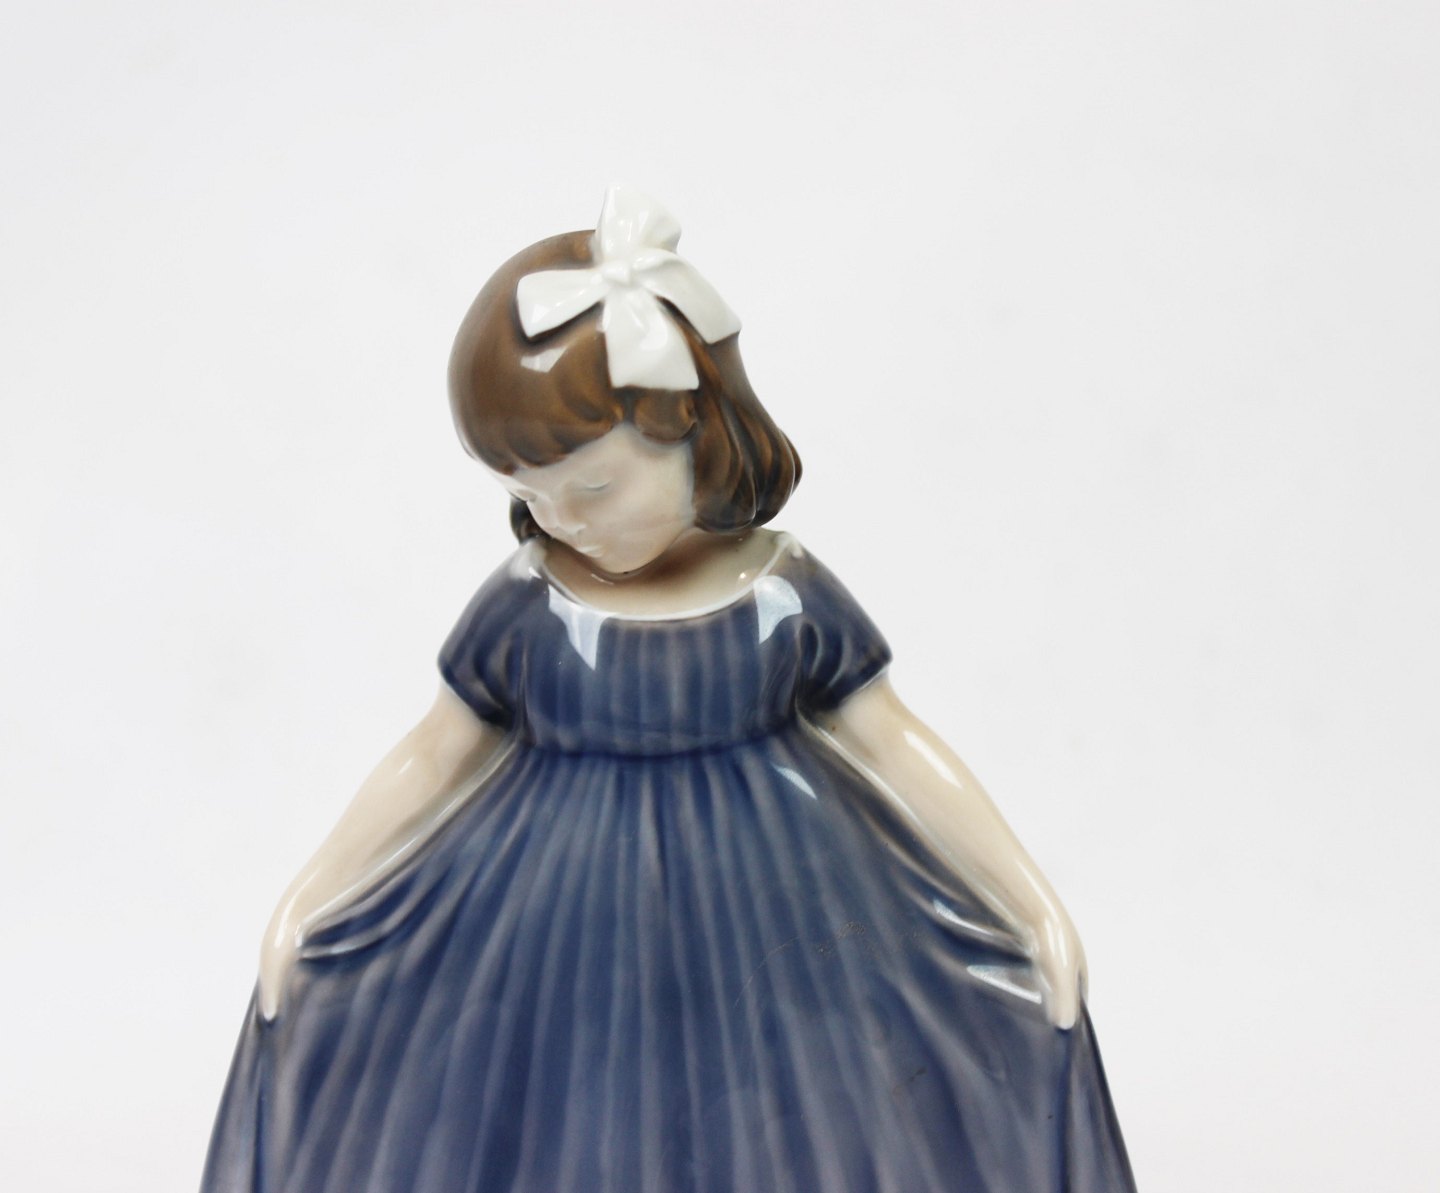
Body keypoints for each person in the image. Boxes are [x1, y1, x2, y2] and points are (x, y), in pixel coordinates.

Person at [202, 187, 1136, 1193]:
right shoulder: (529, 604)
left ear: (695, 425)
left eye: (594, 486)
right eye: (527, 495)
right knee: (561, 1115)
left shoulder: (783, 594)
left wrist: (1030, 902)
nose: (564, 521)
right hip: (554, 936)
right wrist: (310, 895)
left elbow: (891, 741)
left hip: (780, 926)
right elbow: (436, 753)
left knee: (784, 1119)